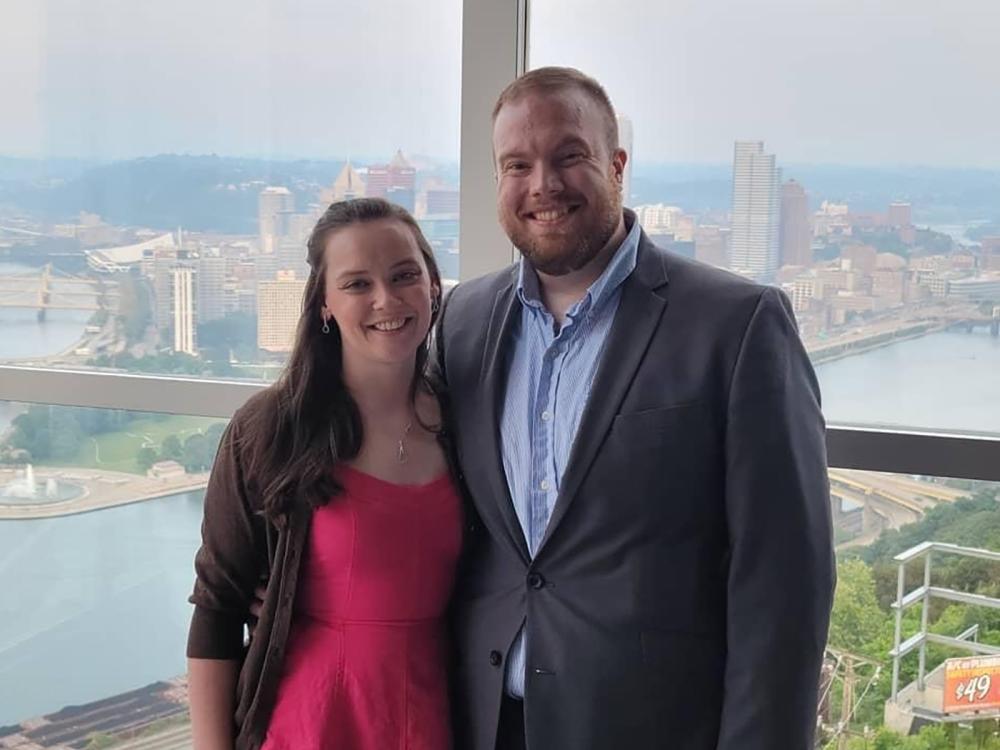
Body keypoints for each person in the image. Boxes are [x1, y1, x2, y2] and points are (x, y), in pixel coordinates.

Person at [435, 66, 836, 750]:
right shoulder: (464, 319)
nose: (543, 185)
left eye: (569, 156)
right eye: (517, 165)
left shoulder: (736, 326)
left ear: (617, 165)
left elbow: (784, 583)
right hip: (485, 718)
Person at [186, 197, 462, 750]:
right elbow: (218, 610)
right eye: (357, 284)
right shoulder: (270, 430)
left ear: (433, 284)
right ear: (325, 305)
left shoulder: (469, 422)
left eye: (404, 274)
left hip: (439, 715)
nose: (387, 299)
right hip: (308, 723)